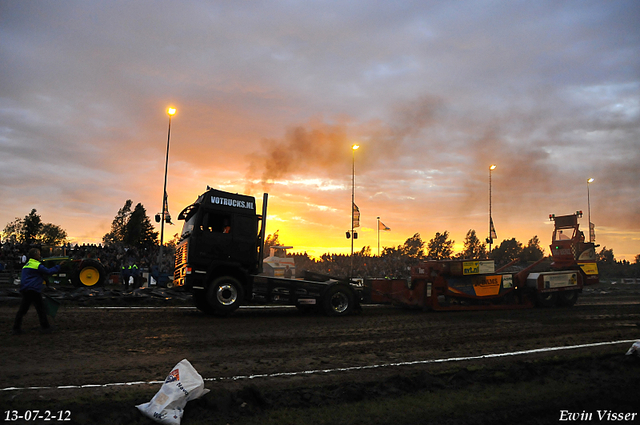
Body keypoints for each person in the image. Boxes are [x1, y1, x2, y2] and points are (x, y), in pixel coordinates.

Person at [12, 248, 63, 335]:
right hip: (33, 290)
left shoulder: (27, 265)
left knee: (24, 309)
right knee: (40, 309)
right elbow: (49, 272)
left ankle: (16, 328)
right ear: (35, 255)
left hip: (26, 289)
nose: (40, 255)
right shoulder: (36, 265)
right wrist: (59, 266)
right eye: (39, 254)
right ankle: (45, 327)